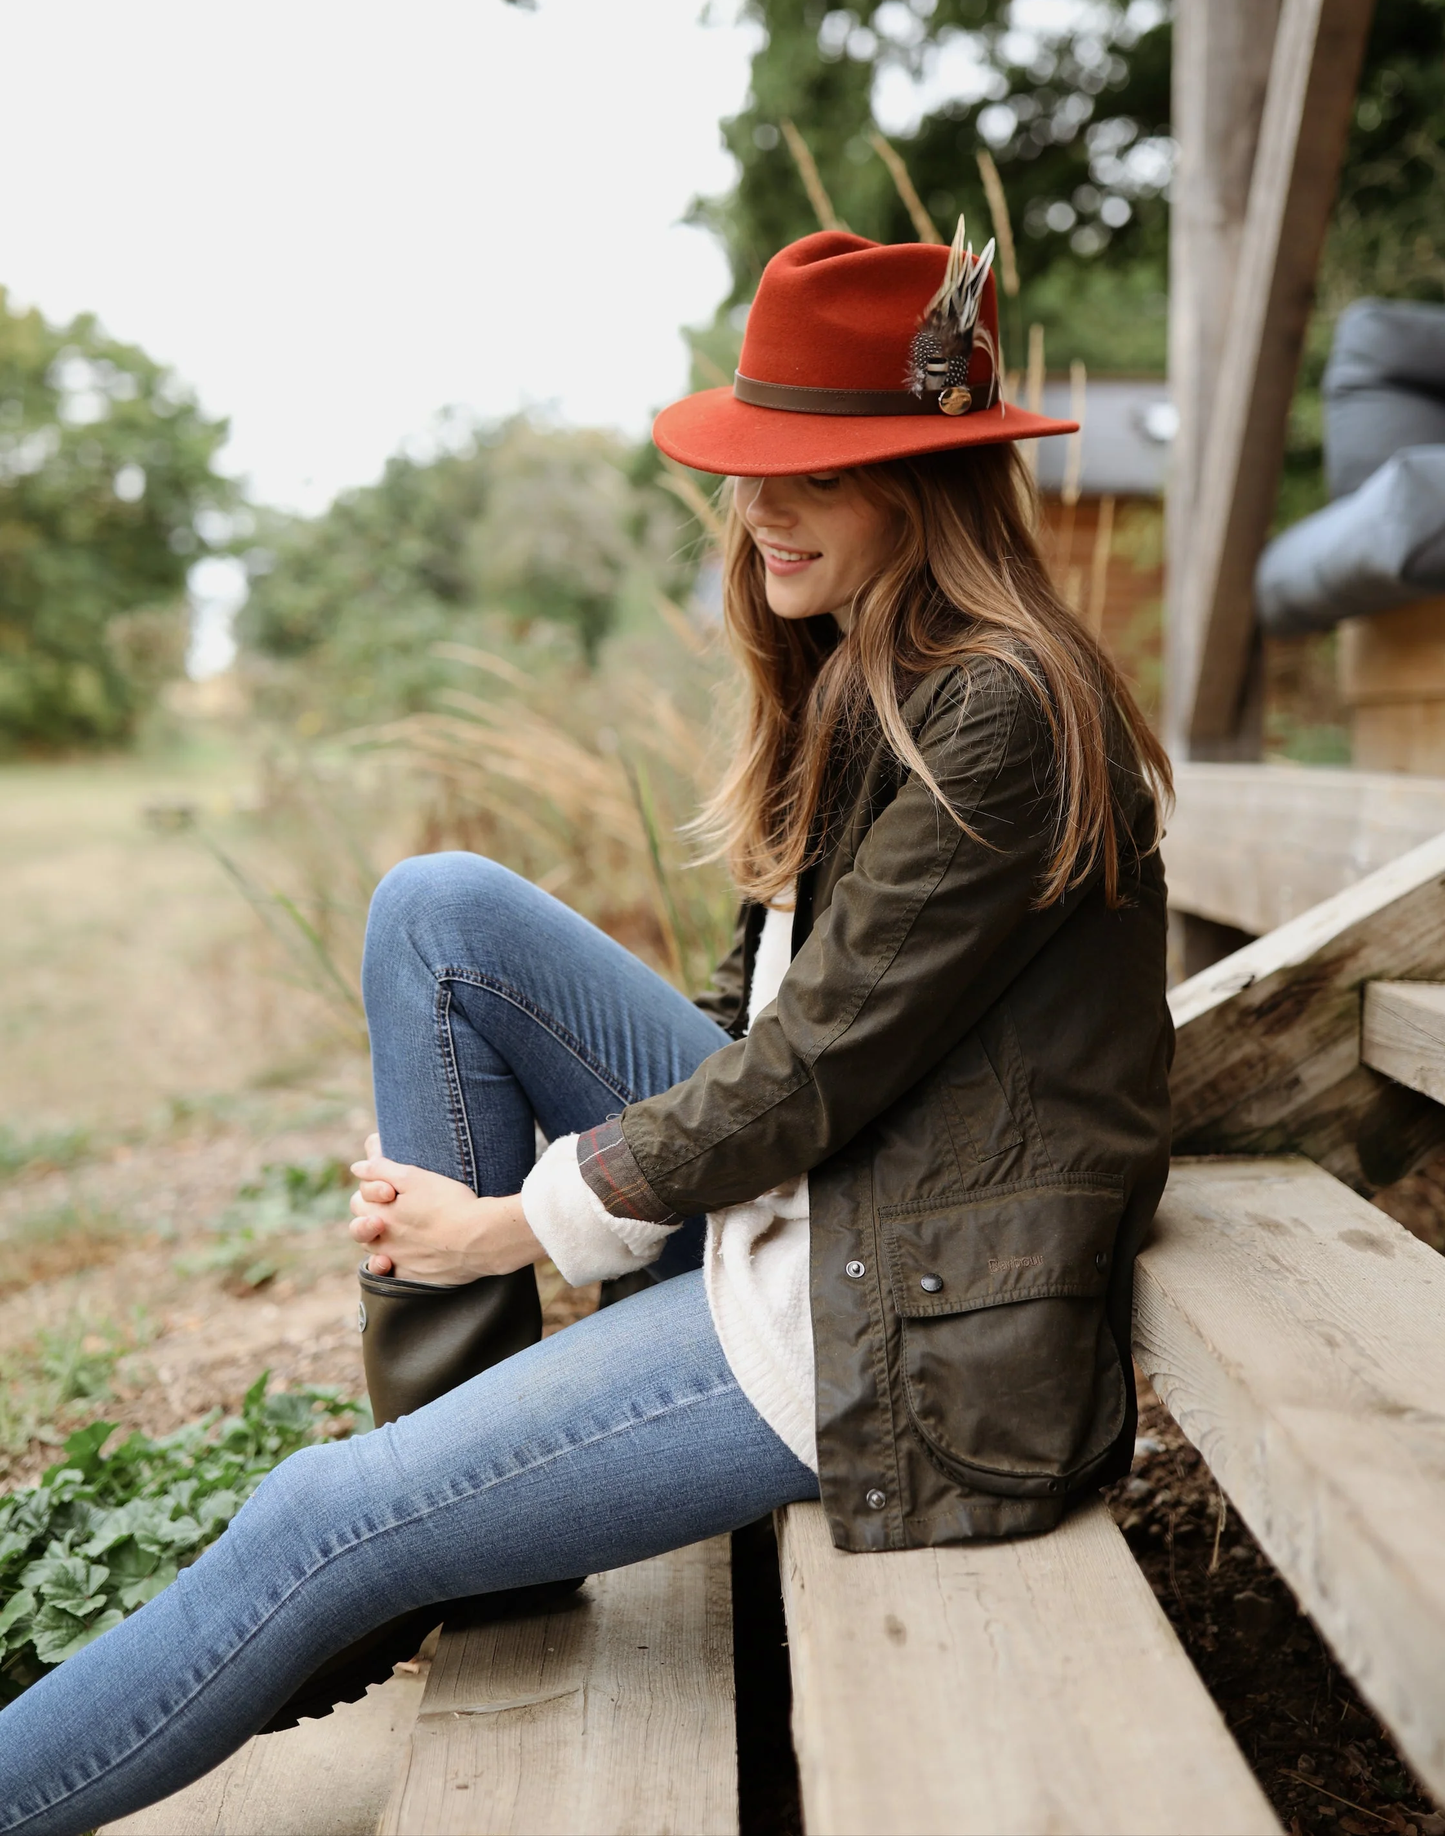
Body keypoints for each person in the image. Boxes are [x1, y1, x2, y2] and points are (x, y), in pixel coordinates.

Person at [0, 227, 1173, 1835]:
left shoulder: (999, 711)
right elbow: (766, 1020)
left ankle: (388, 1547)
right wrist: (560, 1202)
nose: (758, 509)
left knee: (312, 1520)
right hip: (830, 1200)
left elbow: (811, 1070)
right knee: (442, 913)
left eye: (808, 474)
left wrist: (515, 1223)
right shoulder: (882, 671)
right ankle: (466, 1500)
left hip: (884, 1311)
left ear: (923, 483)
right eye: (752, 469)